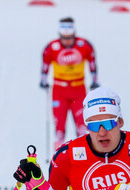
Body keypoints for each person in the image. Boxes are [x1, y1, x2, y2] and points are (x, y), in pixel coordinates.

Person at [40, 17, 97, 150]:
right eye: (64, 38)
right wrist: (43, 80)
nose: (67, 41)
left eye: (70, 38)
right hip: (60, 90)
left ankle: (84, 153)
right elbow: (45, 65)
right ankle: (58, 155)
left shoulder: (84, 45)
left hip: (78, 89)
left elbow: (92, 63)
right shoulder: (51, 47)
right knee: (59, 127)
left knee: (82, 126)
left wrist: (94, 80)